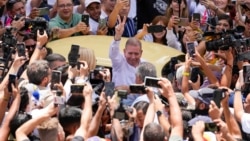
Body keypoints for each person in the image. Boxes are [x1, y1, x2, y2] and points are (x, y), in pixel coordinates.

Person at [109, 15, 143, 87]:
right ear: (124, 52)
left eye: (136, 54)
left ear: (141, 53)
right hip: (120, 98)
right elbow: (113, 53)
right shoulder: (119, 62)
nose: (133, 57)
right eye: (130, 53)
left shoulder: (146, 65)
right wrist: (118, 35)